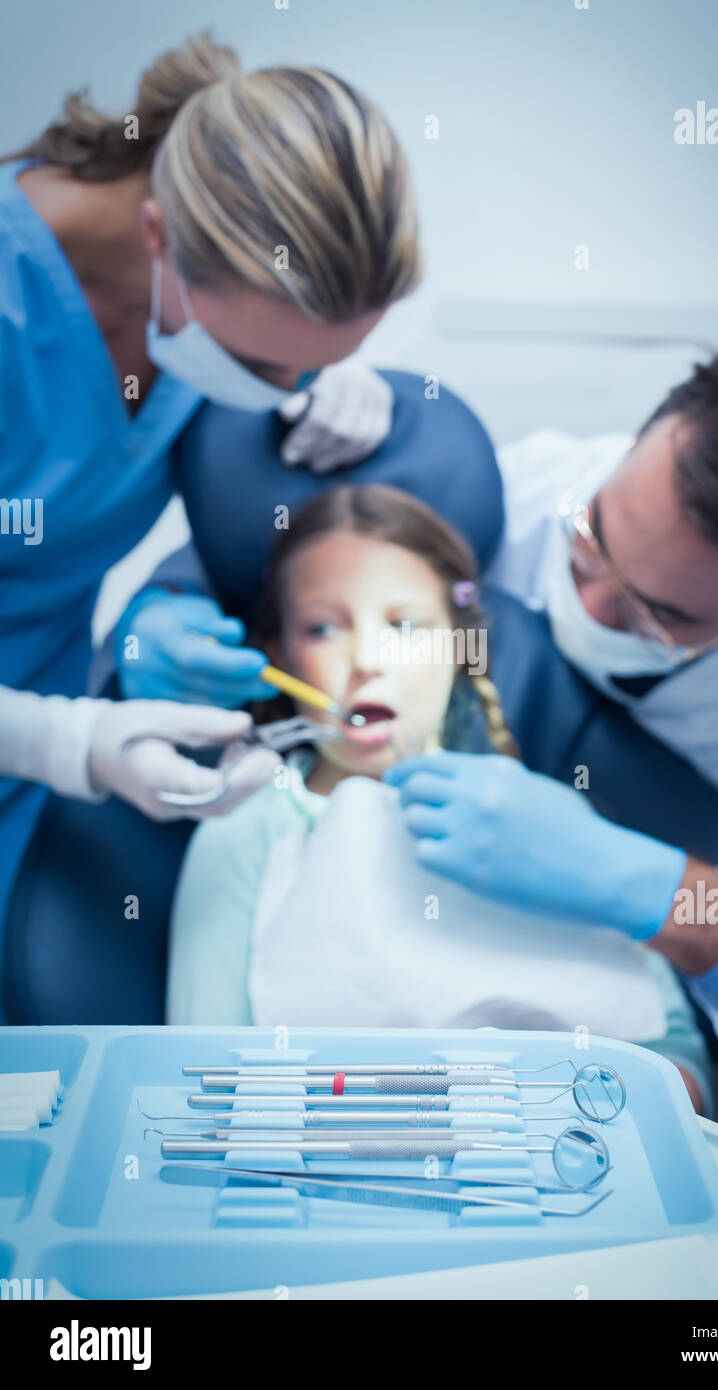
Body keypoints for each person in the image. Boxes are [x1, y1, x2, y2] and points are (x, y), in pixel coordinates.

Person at [0, 31, 424, 988]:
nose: (292, 385)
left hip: (45, 764)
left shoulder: (211, 289)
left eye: (322, 354)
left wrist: (315, 374)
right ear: (159, 238)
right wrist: (71, 743)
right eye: (268, 364)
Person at [387, 342, 718, 1102]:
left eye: (656, 613)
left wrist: (659, 892)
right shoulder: (529, 486)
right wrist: (172, 597)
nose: (592, 606)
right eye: (589, 544)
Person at [167, 486, 711, 1112]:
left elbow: (675, 1057)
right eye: (323, 627)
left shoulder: (539, 818)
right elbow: (200, 1088)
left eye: (404, 625)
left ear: (459, 648)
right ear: (279, 655)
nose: (367, 660)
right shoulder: (246, 830)